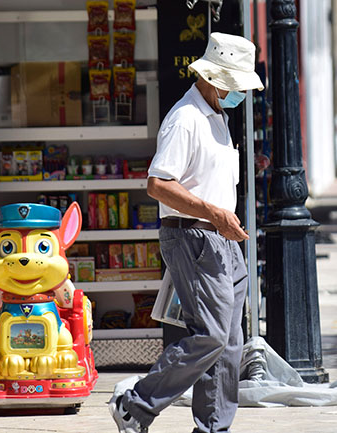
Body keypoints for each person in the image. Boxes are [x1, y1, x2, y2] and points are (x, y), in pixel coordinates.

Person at [108, 32, 263, 433]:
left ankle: (213, 428)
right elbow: (158, 184)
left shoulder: (217, 116)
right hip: (195, 237)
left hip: (221, 238)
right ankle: (137, 402)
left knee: (229, 344)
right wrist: (213, 212)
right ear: (213, 79)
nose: (237, 94)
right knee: (211, 335)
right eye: (234, 86)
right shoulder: (186, 118)